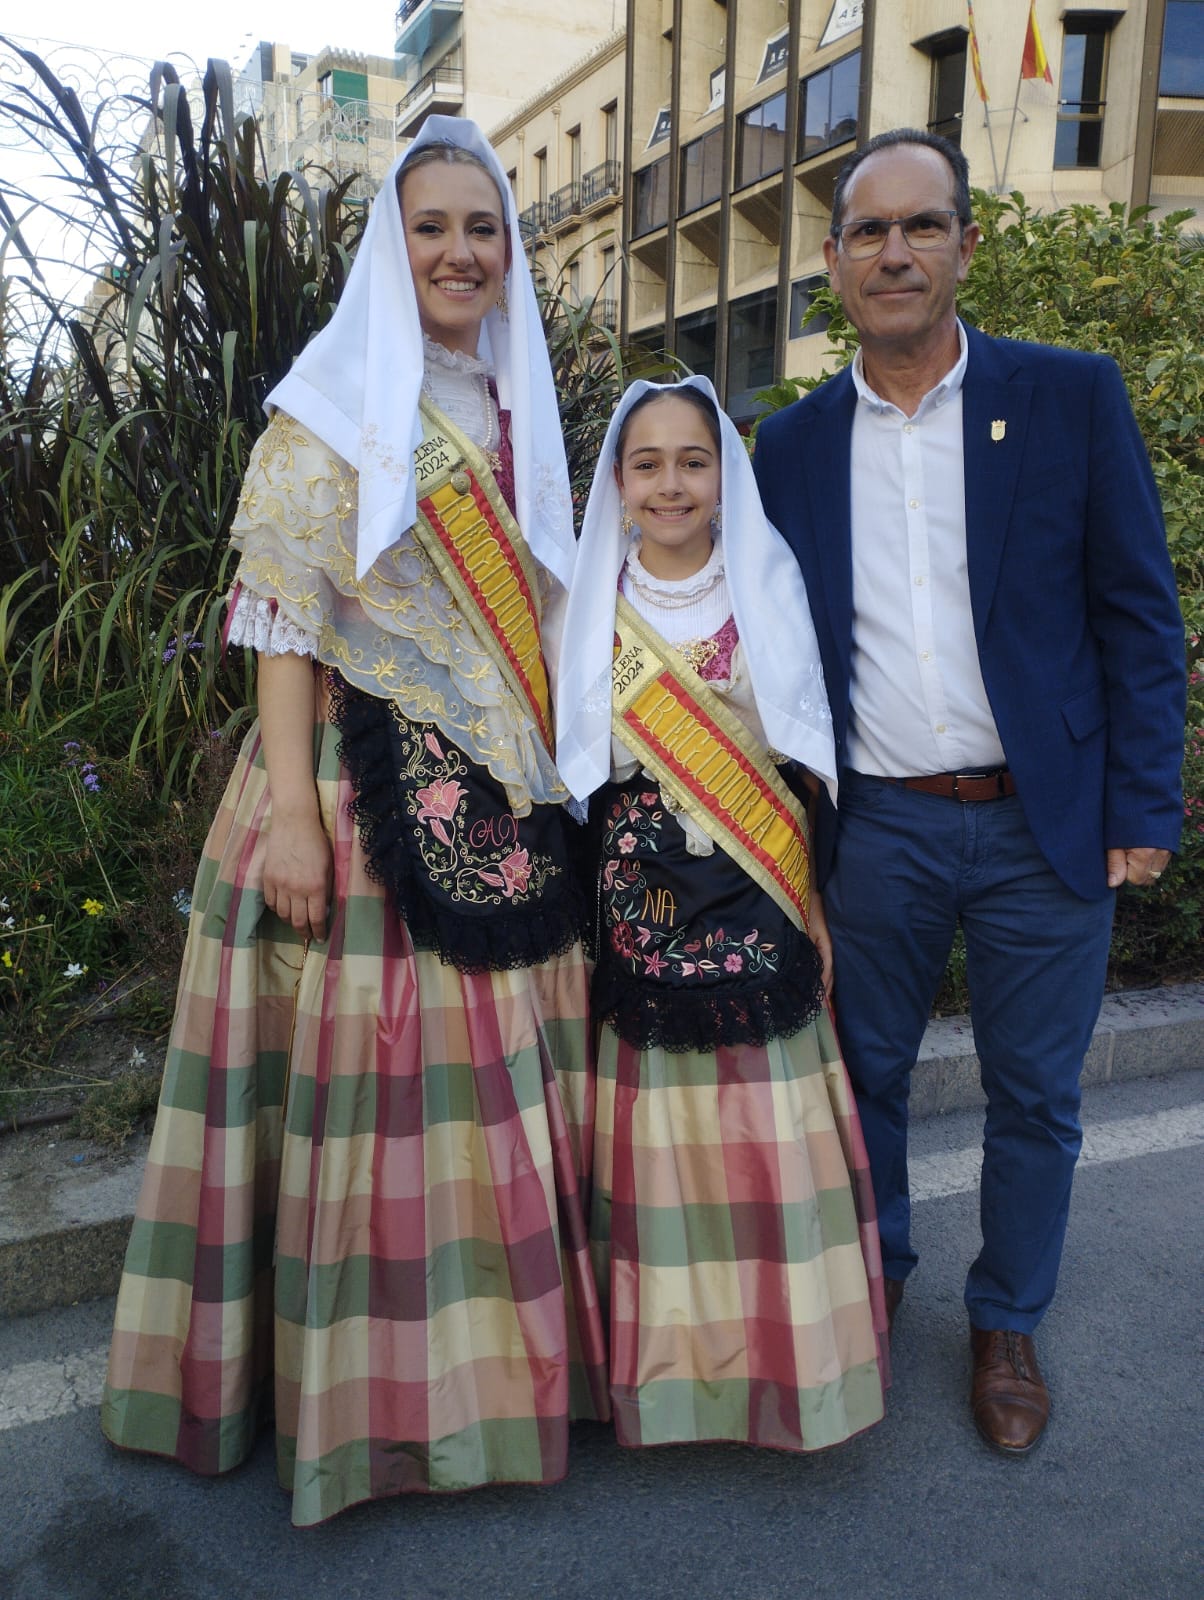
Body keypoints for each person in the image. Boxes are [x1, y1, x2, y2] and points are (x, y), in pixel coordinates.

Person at [101, 116, 609, 1526]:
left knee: (480, 1110)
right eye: (432, 226)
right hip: (349, 788)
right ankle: (357, 1407)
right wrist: (295, 829)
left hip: (491, 791)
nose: (459, 251)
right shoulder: (330, 401)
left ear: (510, 252)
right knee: (370, 1105)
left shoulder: (514, 406)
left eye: (483, 228)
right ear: (395, 246)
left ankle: (486, 1386)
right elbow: (279, 622)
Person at [753, 129, 1185, 1455]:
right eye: (868, 231)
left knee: (1038, 1093)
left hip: (1040, 822)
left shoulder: (1068, 396)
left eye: (921, 226)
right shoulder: (791, 444)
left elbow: (1138, 616)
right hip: (874, 823)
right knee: (863, 1073)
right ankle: (875, 1285)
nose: (895, 252)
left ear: (964, 243)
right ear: (832, 262)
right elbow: (768, 648)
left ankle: (1008, 1322)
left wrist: (1141, 808)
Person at [556, 375, 889, 1454]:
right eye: (646, 464)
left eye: (691, 461)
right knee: (658, 1145)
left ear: (722, 472)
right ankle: (666, 1377)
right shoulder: (585, 601)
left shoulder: (766, 580)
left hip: (759, 891)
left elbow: (804, 756)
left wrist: (816, 902)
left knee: (764, 1142)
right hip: (640, 910)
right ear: (617, 479)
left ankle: (784, 1363)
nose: (670, 483)